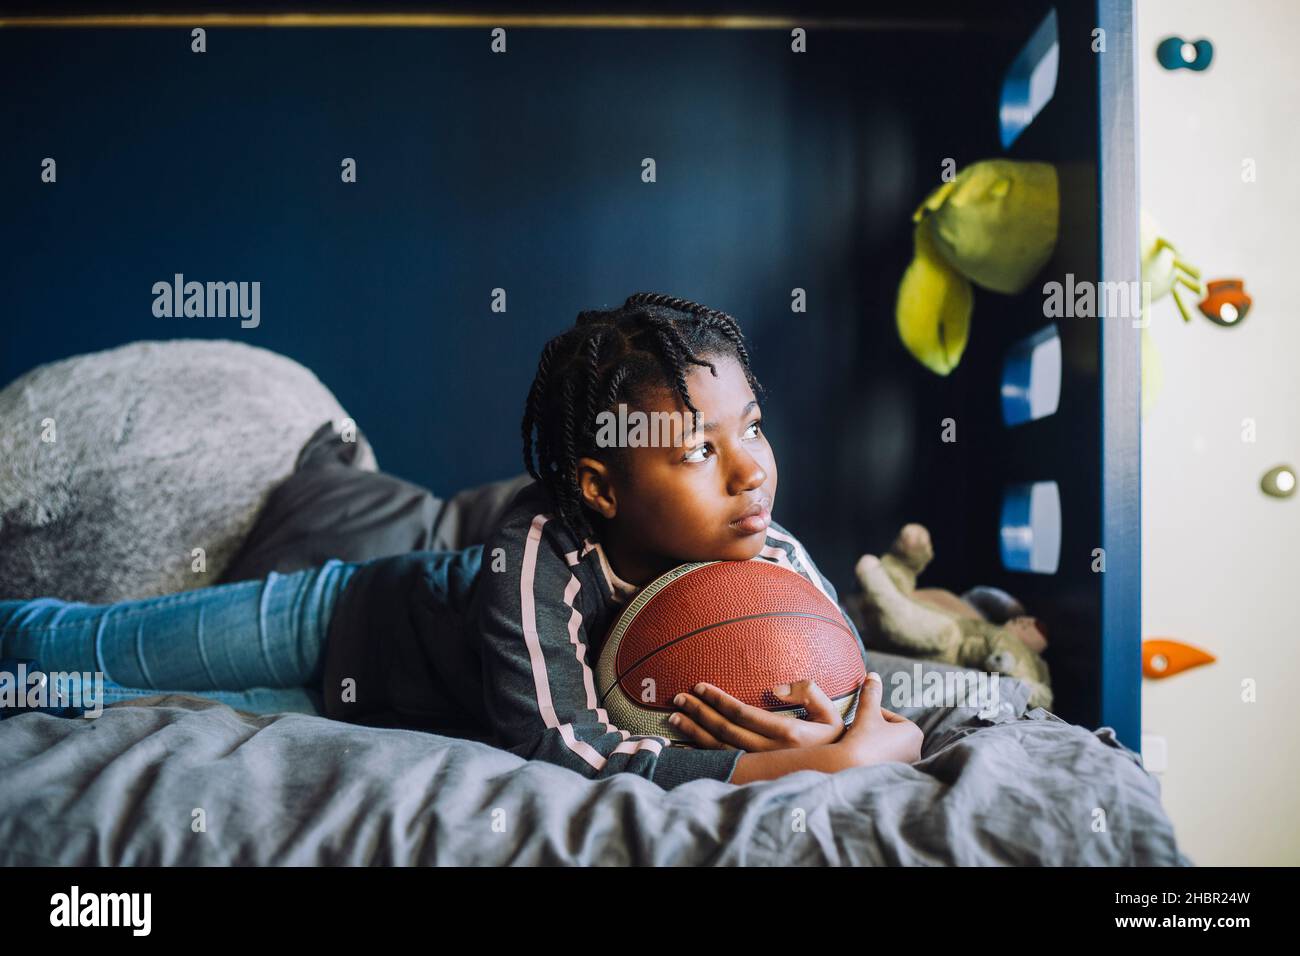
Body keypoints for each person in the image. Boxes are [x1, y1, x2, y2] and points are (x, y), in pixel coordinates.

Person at [0, 292, 922, 788]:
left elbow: (866, 695)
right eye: (697, 450)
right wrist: (798, 761)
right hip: (343, 620)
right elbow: (563, 748)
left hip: (379, 707)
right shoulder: (541, 547)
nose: (751, 468)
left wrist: (865, 734)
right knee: (64, 644)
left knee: (115, 707)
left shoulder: (775, 568)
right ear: (601, 484)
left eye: (753, 428)